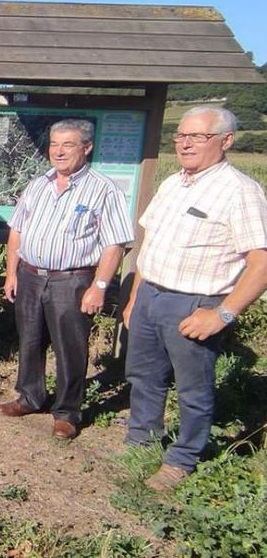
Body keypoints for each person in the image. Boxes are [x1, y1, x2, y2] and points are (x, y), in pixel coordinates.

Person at [123, 106, 267, 491]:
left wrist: (223, 314)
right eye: (181, 136)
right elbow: (148, 242)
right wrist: (136, 295)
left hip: (196, 304)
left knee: (193, 389)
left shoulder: (240, 192)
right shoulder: (173, 183)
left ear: (226, 140)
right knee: (144, 377)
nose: (185, 143)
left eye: (198, 137)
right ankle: (142, 440)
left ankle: (182, 458)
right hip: (151, 295)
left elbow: (261, 263)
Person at [0, 118, 133, 440]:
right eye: (54, 144)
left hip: (72, 280)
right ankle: (30, 397)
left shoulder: (103, 189)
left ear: (86, 148)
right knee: (29, 341)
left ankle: (67, 411)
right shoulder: (38, 184)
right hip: (30, 275)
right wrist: (10, 273)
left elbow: (115, 243)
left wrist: (99, 287)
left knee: (69, 348)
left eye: (68, 145)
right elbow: (17, 230)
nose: (58, 152)